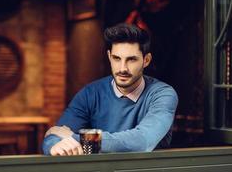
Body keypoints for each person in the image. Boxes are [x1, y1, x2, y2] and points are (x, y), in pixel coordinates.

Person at [42, 23, 178, 156]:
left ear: (146, 60)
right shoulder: (90, 94)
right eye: (117, 58)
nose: (123, 68)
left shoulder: (163, 95)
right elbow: (53, 137)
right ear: (109, 56)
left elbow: (142, 141)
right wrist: (54, 145)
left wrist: (75, 138)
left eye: (131, 60)